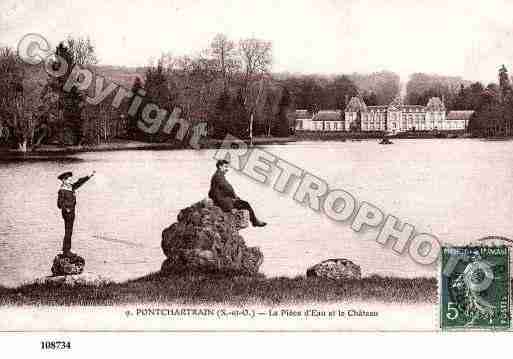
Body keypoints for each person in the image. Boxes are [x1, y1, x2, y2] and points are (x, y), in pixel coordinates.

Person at [208, 160, 266, 227]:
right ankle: (255, 222)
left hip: (221, 200)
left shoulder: (216, 175)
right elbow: (228, 188)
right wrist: (234, 197)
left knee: (242, 202)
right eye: (226, 167)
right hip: (224, 202)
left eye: (227, 167)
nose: (227, 169)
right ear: (220, 166)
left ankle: (255, 221)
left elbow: (211, 192)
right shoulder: (219, 176)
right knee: (245, 204)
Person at [57, 170, 95, 256]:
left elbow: (79, 182)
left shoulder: (70, 187)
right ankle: (66, 250)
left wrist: (89, 176)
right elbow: (59, 204)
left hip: (71, 213)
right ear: (64, 180)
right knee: (68, 231)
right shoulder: (62, 190)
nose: (70, 181)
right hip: (67, 213)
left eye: (70, 179)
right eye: (68, 180)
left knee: (69, 231)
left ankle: (67, 249)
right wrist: (67, 208)